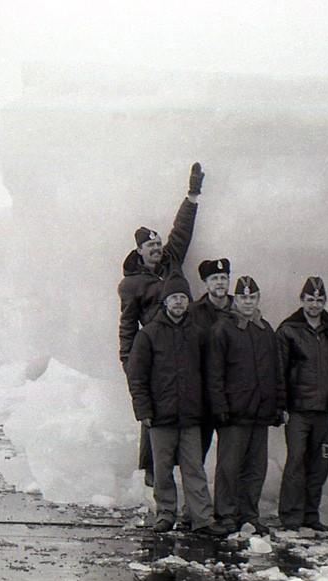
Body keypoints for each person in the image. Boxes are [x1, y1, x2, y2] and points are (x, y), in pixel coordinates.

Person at [118, 162, 205, 485]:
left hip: (186, 344)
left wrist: (192, 195)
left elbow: (181, 230)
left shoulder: (171, 262)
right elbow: (127, 327)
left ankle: (187, 478)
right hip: (156, 352)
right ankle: (153, 478)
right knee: (154, 418)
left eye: (158, 245)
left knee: (189, 412)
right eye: (150, 247)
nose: (157, 250)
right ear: (139, 252)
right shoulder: (132, 285)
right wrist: (130, 363)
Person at [125, 274, 230, 538]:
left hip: (192, 416)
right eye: (174, 297)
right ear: (165, 302)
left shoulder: (198, 334)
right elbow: (137, 376)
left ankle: (202, 518)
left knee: (194, 468)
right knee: (162, 469)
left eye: (183, 298)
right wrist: (144, 410)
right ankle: (165, 513)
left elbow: (209, 373)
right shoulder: (148, 334)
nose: (179, 302)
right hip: (161, 416)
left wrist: (208, 407)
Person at [206, 275, 285, 534]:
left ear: (258, 298)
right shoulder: (223, 329)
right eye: (242, 297)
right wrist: (219, 406)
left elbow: (277, 371)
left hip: (260, 413)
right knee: (229, 466)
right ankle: (226, 515)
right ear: (235, 300)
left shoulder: (266, 330)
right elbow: (214, 372)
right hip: (234, 413)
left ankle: (249, 514)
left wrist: (277, 405)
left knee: (255, 468)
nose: (247, 302)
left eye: (252, 297)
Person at [275, 276, 328, 531]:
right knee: (296, 460)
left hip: (323, 409)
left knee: (320, 463)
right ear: (301, 300)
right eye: (310, 299)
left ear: (325, 301)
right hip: (298, 409)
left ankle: (310, 514)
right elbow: (279, 370)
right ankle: (291, 516)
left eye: (319, 299)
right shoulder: (289, 330)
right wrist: (281, 406)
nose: (314, 305)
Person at [189, 257, 234, 459]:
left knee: (232, 452)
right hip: (203, 394)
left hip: (233, 392)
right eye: (214, 278)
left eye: (223, 277)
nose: (220, 282)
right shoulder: (194, 313)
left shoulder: (240, 308)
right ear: (206, 283)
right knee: (198, 450)